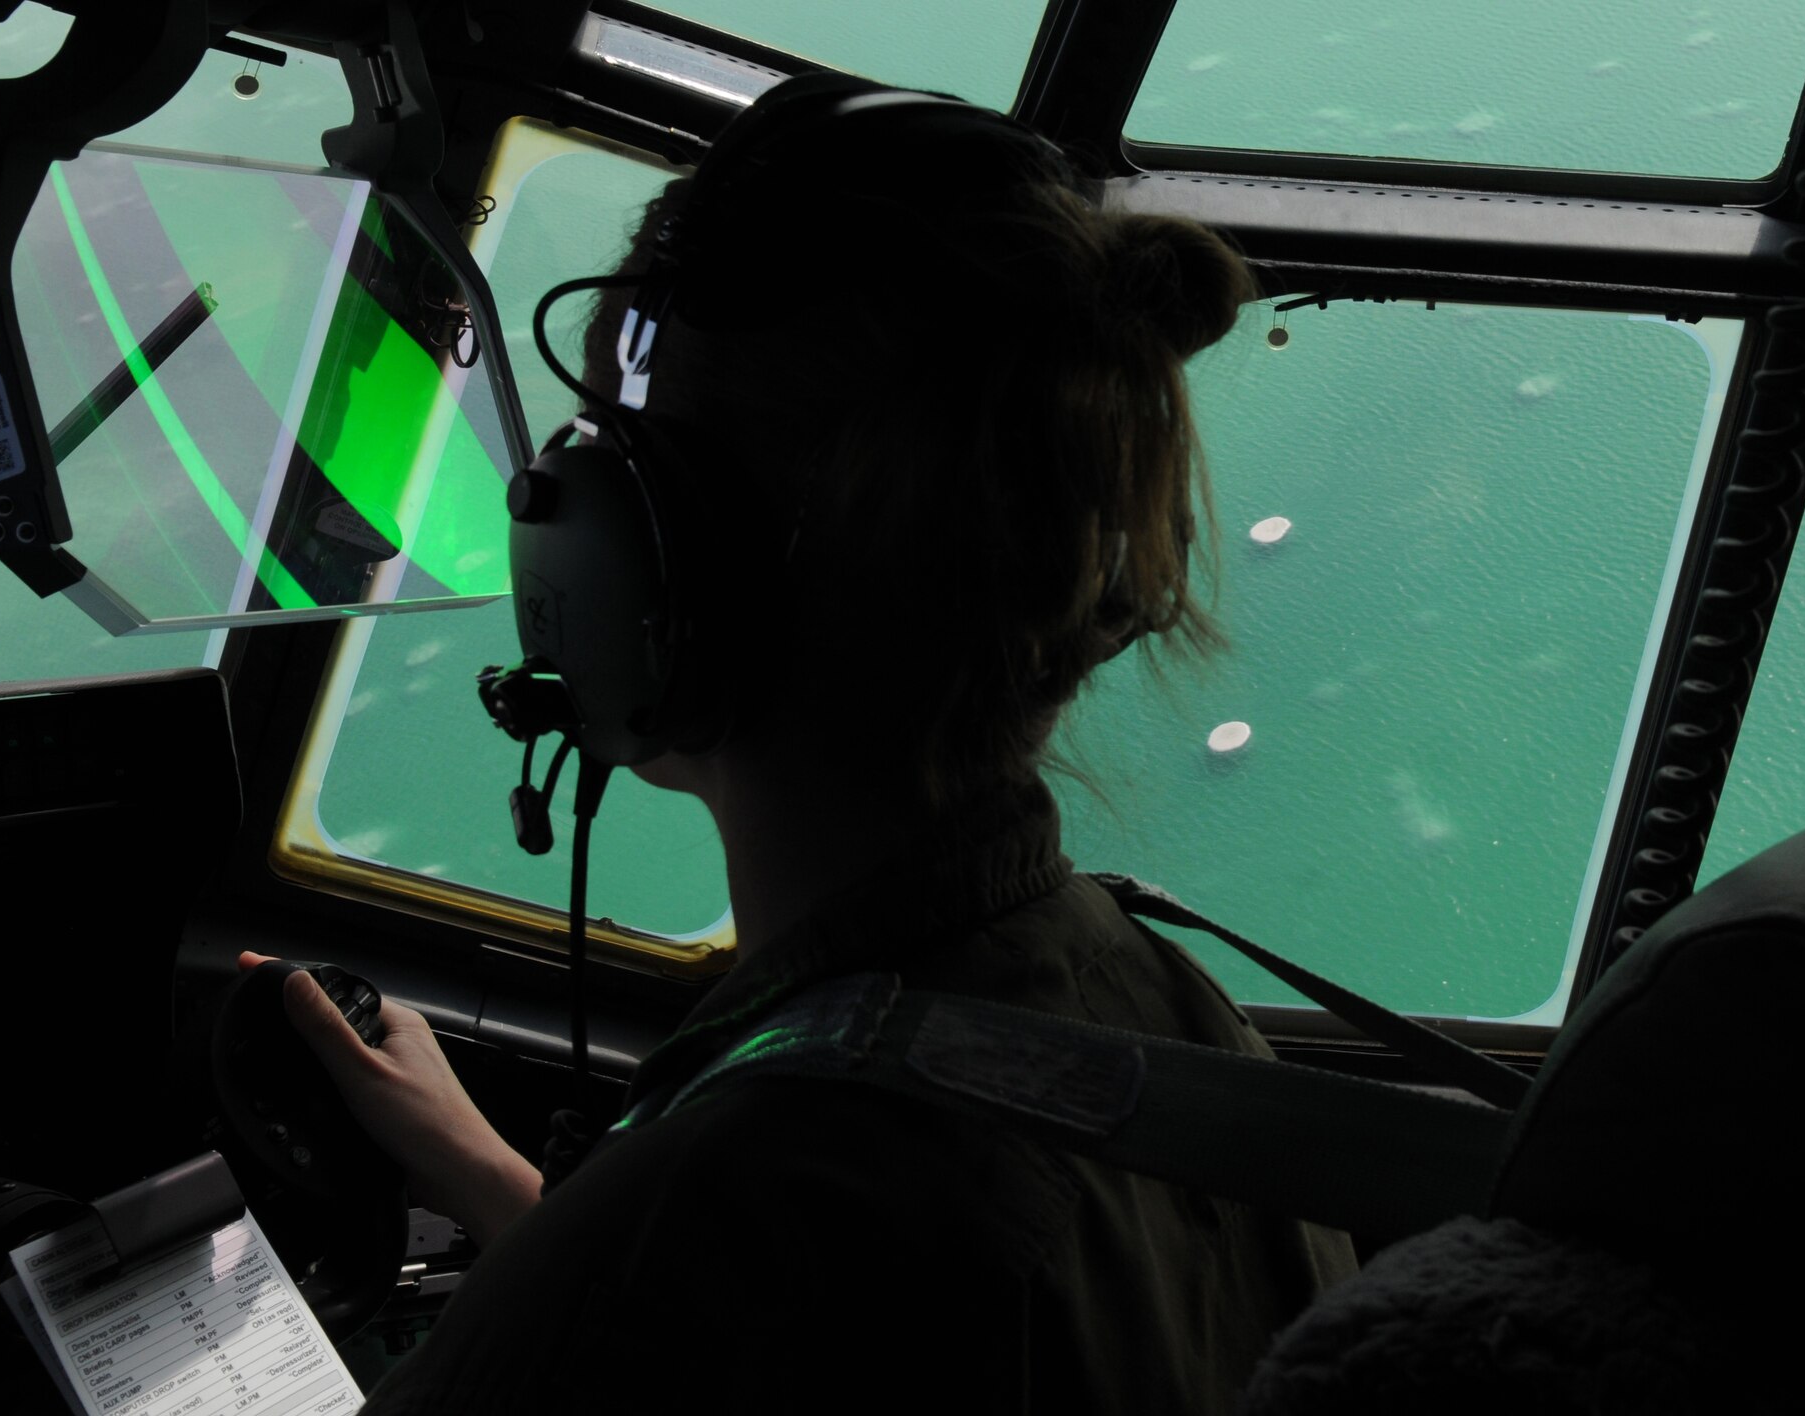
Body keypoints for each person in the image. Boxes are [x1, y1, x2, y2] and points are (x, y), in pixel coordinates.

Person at [246, 73, 1355, 1411]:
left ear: (651, 569)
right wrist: (502, 1189)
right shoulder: (1184, 1028)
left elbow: (732, 1283)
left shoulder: (744, 1215)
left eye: (601, 462)